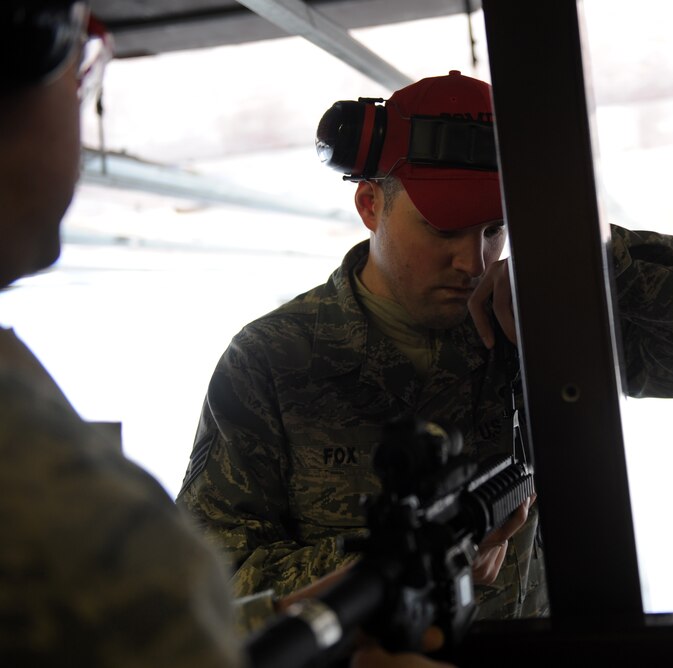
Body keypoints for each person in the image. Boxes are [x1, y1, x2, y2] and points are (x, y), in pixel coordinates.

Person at [176, 72, 673, 624]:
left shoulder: (532, 323)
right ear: (369, 205)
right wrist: (400, 560)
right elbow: (208, 580)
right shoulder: (272, 360)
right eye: (443, 230)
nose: (472, 260)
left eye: (494, 229)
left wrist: (577, 260)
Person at [0, 2, 455, 666]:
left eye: (493, 231)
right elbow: (193, 578)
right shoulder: (52, 497)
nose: (472, 260)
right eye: (83, 58)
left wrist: (276, 616)